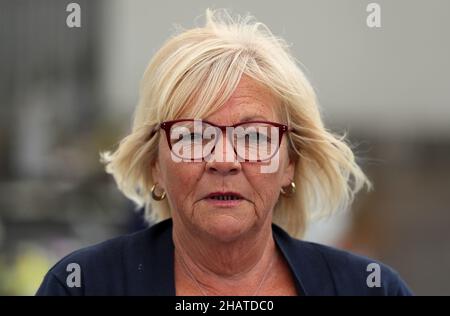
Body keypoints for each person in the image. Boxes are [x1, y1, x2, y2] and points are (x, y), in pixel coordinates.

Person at [36, 9, 412, 296]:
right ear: (155, 165)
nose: (225, 160)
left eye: (253, 136)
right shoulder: (83, 286)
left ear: (289, 164)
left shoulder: (369, 288)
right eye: (195, 136)